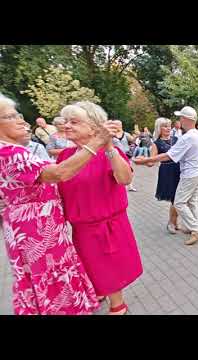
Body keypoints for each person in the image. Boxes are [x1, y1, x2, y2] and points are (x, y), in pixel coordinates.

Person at [0, 93, 114, 315]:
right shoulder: (8, 152)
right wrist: (97, 141)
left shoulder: (17, 151)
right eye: (12, 116)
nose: (23, 121)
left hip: (42, 230)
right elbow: (60, 173)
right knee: (49, 280)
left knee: (52, 278)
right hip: (36, 233)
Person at [57, 101, 143, 315]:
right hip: (81, 226)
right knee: (89, 263)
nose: (66, 125)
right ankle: (100, 291)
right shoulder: (65, 156)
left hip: (107, 225)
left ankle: (118, 305)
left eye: (74, 121)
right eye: (65, 121)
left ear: (94, 127)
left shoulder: (109, 153)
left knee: (109, 266)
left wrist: (110, 147)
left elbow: (124, 179)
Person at [134, 106, 198, 246]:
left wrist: (144, 160)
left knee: (178, 202)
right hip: (196, 172)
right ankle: (192, 227)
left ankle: (196, 229)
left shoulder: (187, 137)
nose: (179, 121)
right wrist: (148, 161)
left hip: (189, 174)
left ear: (185, 119)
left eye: (180, 118)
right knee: (192, 201)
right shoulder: (197, 134)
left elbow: (168, 155)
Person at [150, 118, 181, 234]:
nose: (168, 128)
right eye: (165, 126)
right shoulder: (156, 143)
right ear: (159, 128)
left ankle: (174, 221)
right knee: (175, 198)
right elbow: (151, 162)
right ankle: (171, 223)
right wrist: (145, 161)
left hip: (179, 170)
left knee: (178, 198)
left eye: (169, 126)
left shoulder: (177, 139)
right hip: (167, 171)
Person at [112, 121, 137, 192]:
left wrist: (136, 137)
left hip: (126, 155)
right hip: (116, 156)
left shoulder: (125, 134)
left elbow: (132, 140)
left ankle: (130, 186)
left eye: (120, 125)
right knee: (116, 171)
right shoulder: (111, 134)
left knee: (129, 170)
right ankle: (118, 185)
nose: (119, 126)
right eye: (117, 125)